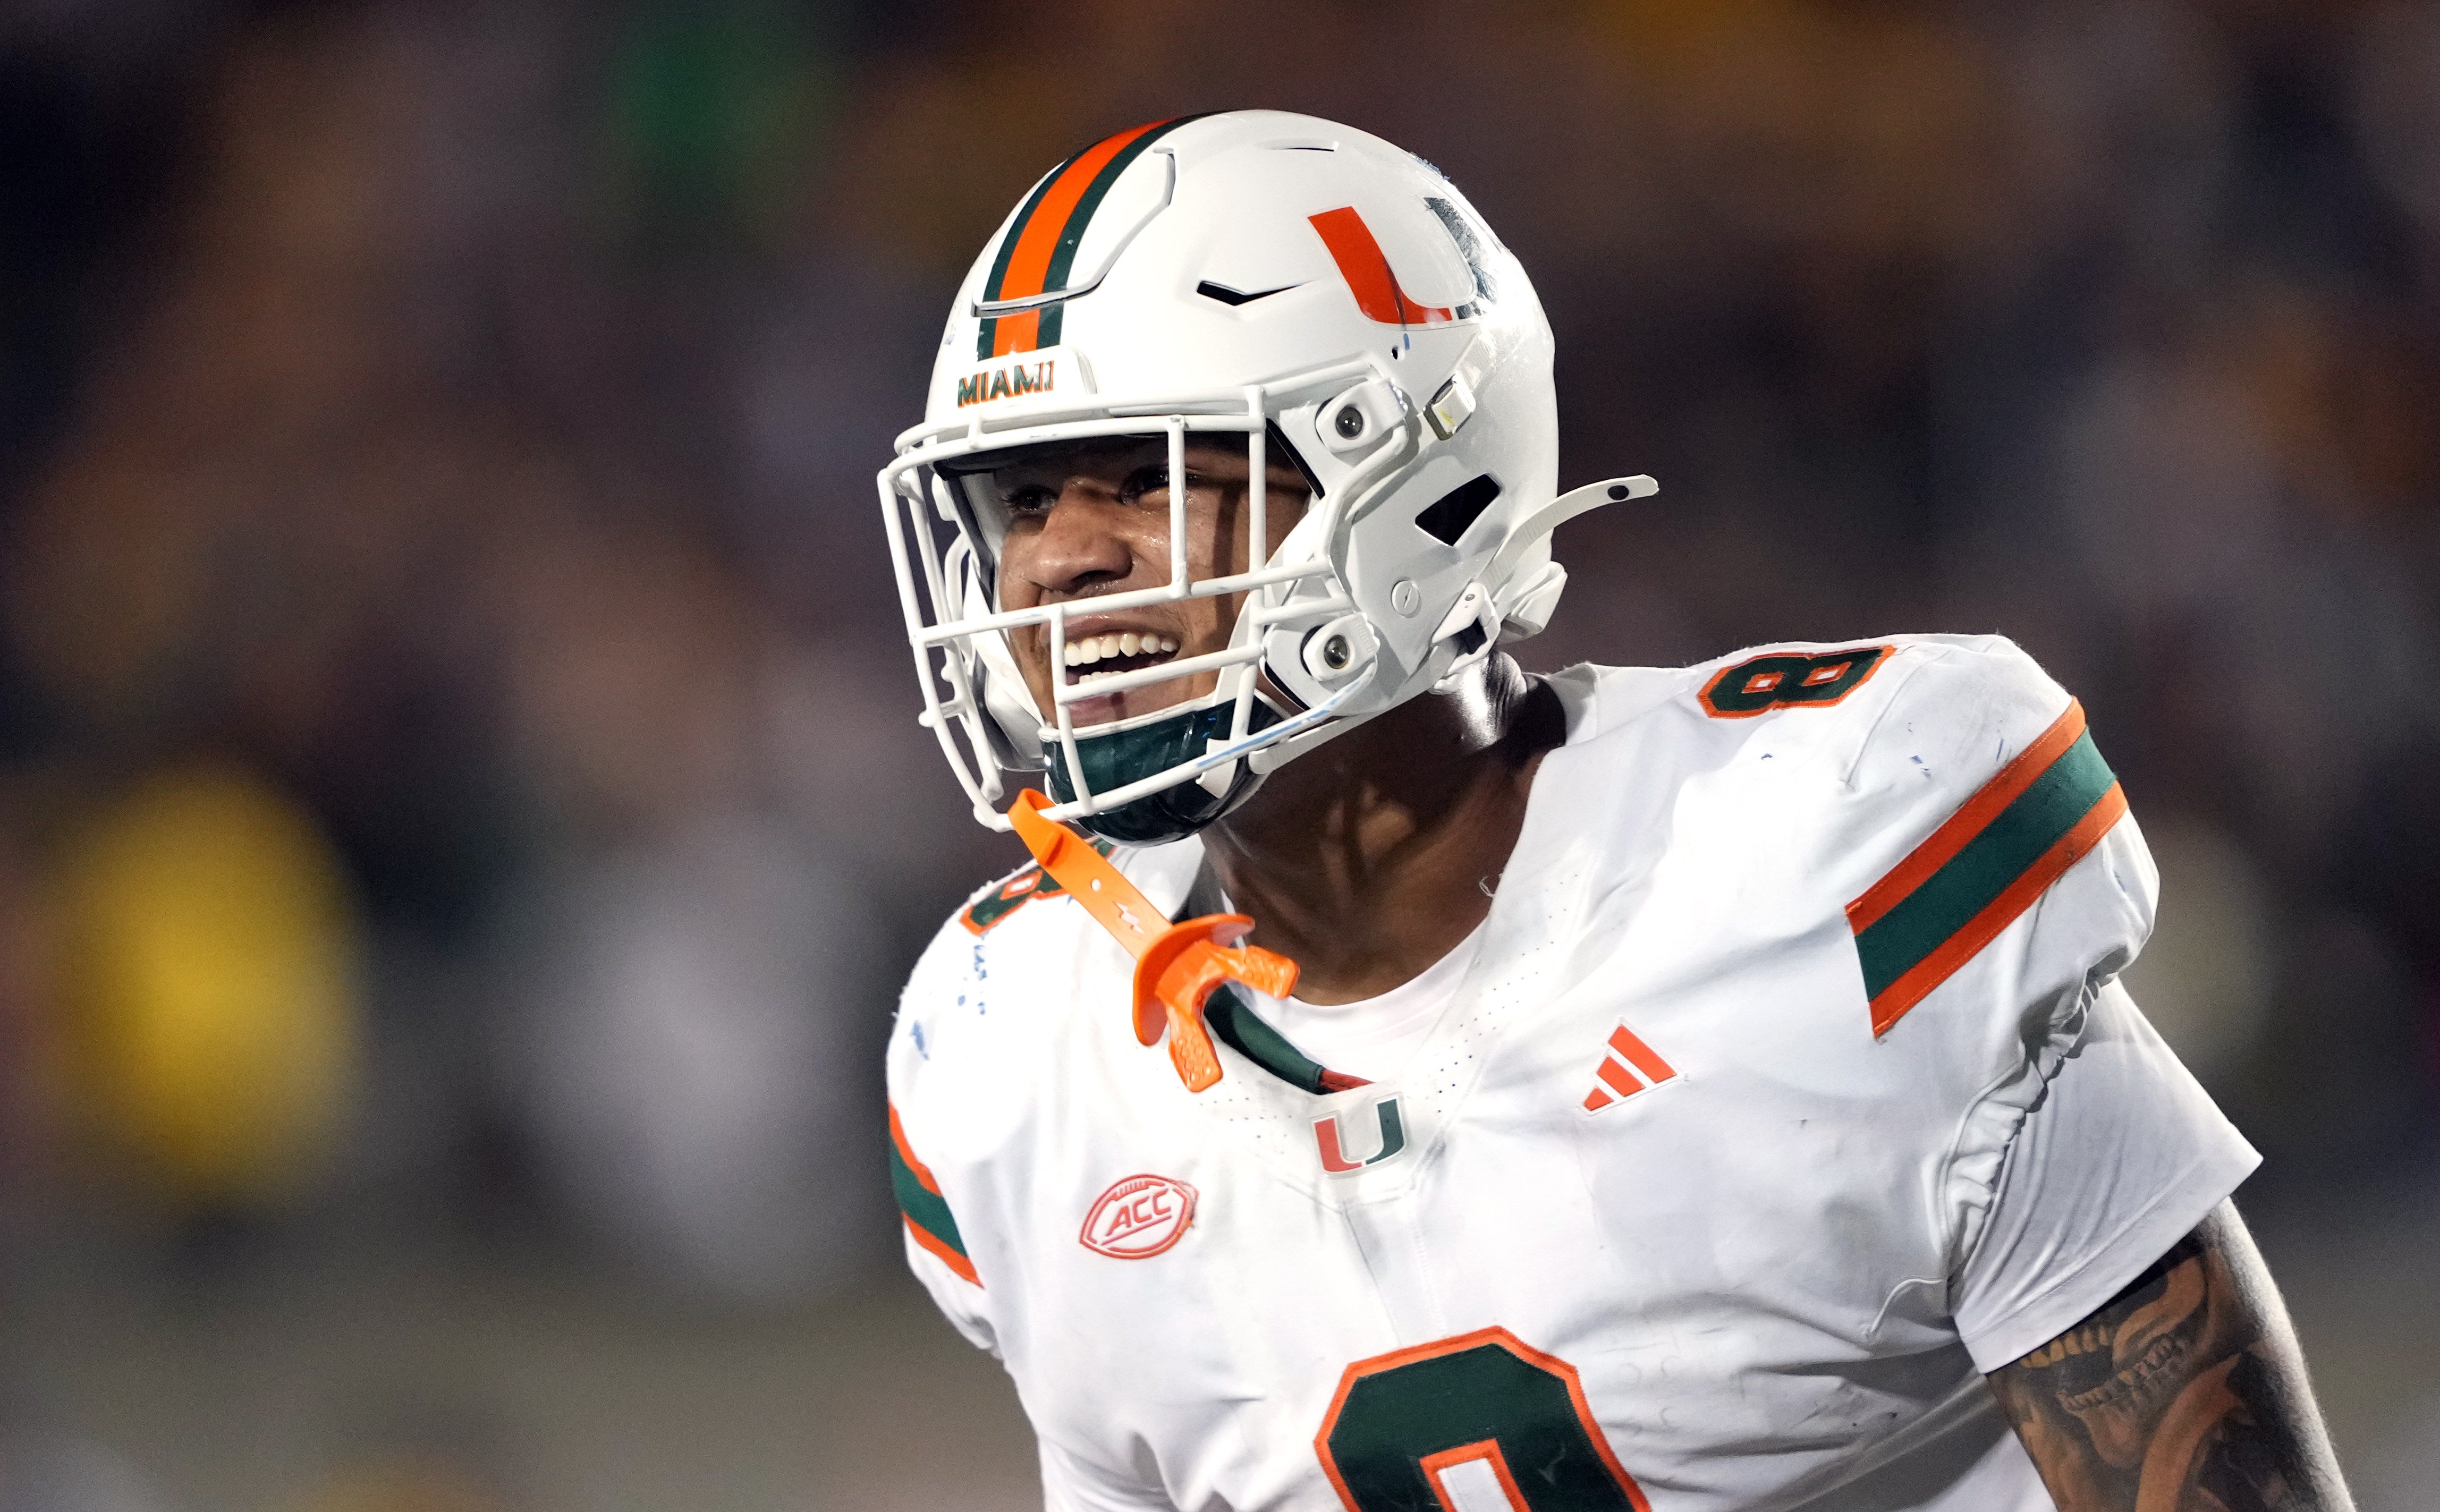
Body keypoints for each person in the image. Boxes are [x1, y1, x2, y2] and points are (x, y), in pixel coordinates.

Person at [878, 111, 2355, 1511]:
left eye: (1142, 479)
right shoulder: (1012, 1054)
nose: (1058, 561)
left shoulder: (1821, 850)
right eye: (1019, 502)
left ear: (1414, 489)